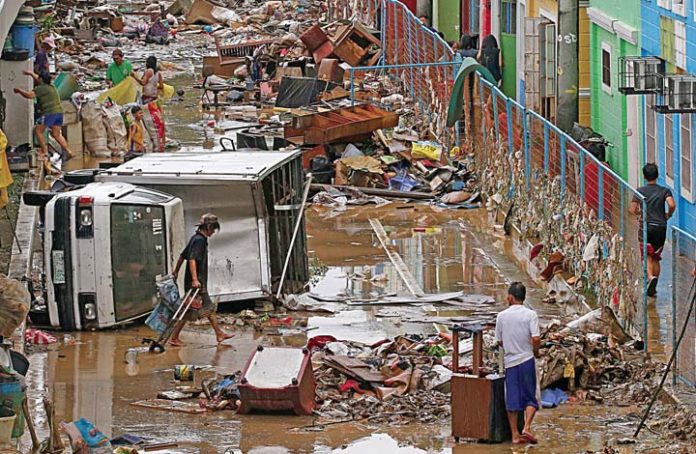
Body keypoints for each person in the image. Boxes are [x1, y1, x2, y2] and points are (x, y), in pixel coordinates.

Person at [168, 213, 235, 346]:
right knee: (202, 309)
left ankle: (218, 334)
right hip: (197, 282)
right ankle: (175, 337)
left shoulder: (196, 238)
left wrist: (176, 271)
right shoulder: (199, 241)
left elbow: (183, 256)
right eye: (213, 229)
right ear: (208, 227)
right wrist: (194, 279)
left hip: (197, 282)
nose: (214, 232)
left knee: (201, 310)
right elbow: (191, 258)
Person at [495, 282, 540, 445]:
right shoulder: (531, 315)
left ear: (510, 297)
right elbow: (536, 338)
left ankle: (514, 435)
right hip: (527, 359)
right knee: (531, 398)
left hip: (510, 362)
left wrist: (509, 344)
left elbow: (499, 341)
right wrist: (535, 351)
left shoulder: (501, 316)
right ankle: (527, 427)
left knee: (512, 399)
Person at [629, 163, 676, 297]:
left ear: (644, 176)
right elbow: (672, 204)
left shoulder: (640, 191)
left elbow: (632, 210)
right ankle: (653, 287)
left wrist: (639, 212)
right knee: (656, 257)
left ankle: (650, 278)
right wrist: (668, 214)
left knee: (647, 256)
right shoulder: (664, 190)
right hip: (661, 227)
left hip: (646, 226)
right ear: (657, 175)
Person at [14, 71, 74, 173]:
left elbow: (29, 95)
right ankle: (69, 151)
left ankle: (45, 152)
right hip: (59, 112)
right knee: (56, 134)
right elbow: (39, 78)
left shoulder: (40, 89)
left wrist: (19, 91)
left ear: (41, 80)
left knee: (38, 131)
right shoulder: (51, 86)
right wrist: (30, 74)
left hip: (49, 113)